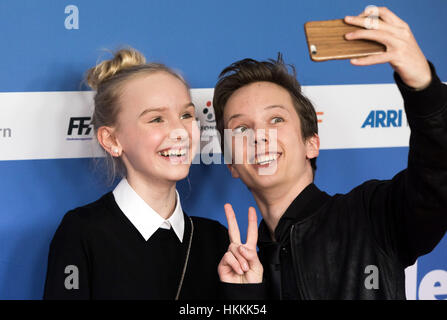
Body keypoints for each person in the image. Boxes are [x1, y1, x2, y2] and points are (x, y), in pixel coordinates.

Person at [214, 7, 447, 299]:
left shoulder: (372, 215)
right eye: (241, 129)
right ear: (231, 164)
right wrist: (245, 299)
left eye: (276, 119)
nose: (260, 136)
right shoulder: (244, 268)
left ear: (311, 143)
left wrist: (424, 87)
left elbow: (437, 178)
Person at [43, 48, 228, 299]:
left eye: (186, 115)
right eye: (156, 119)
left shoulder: (216, 239)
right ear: (112, 139)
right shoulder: (81, 233)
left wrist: (248, 293)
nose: (180, 131)